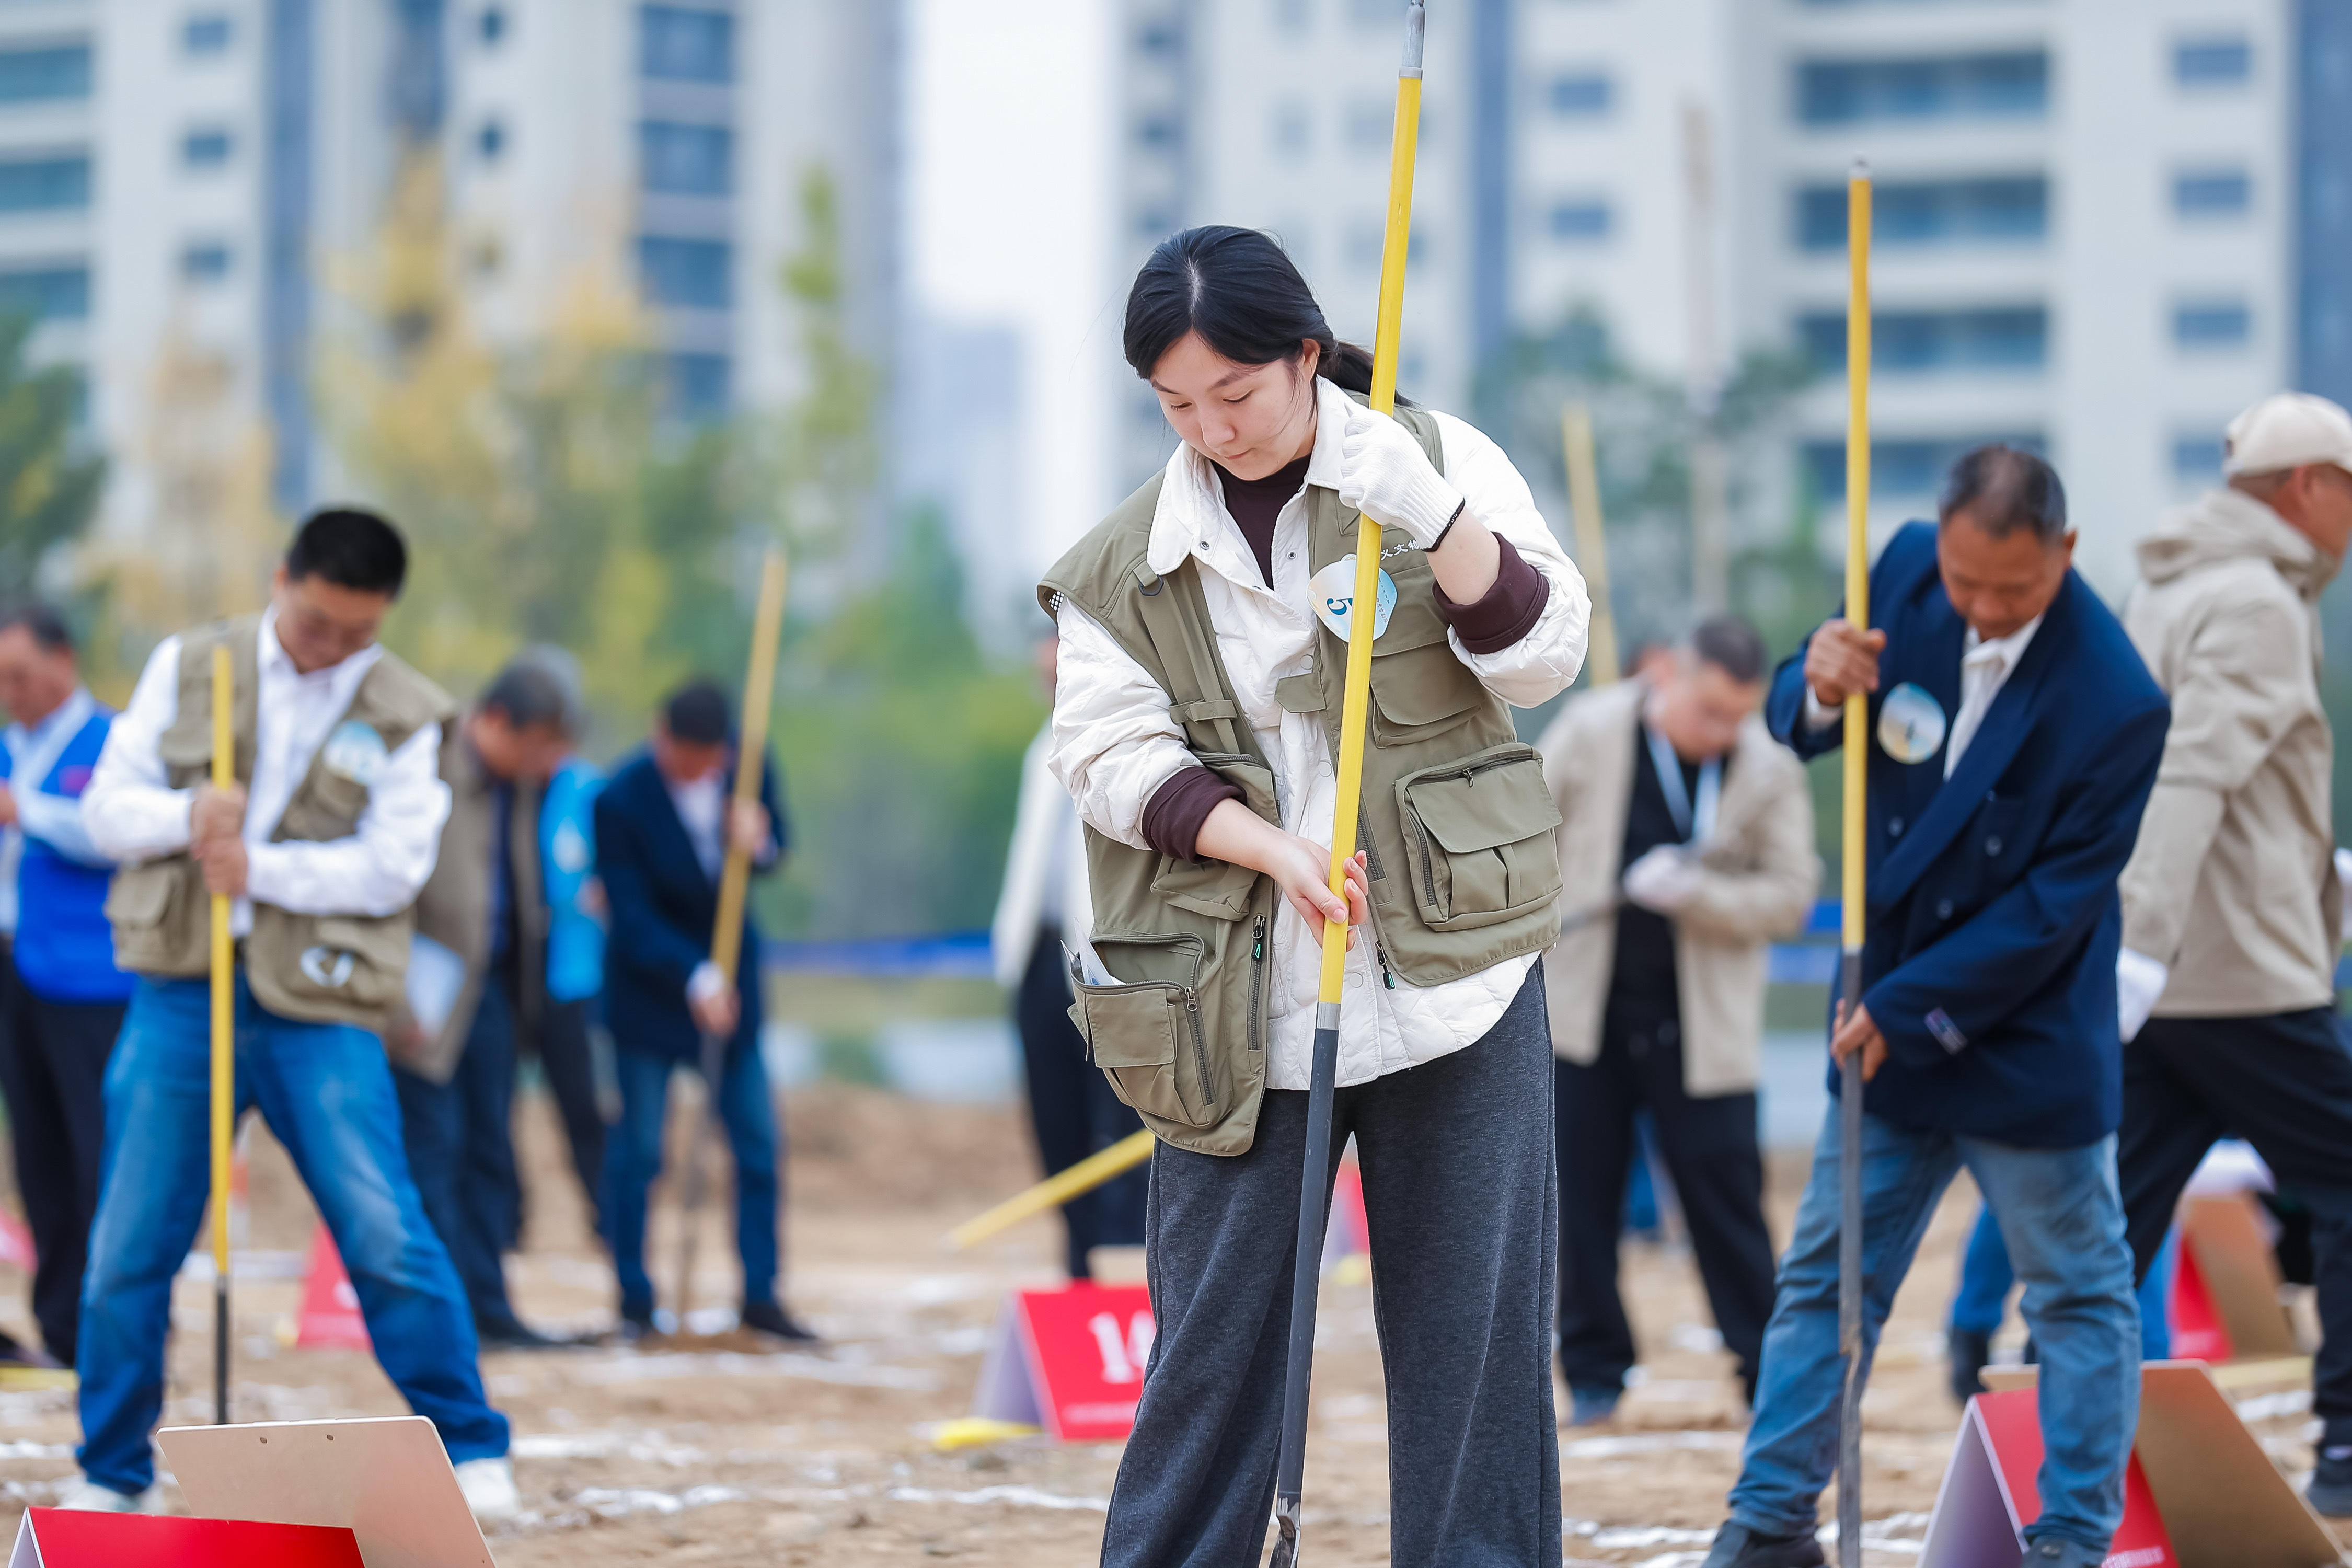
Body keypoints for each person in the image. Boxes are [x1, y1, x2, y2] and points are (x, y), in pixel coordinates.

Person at [1046, 226, 1588, 1565]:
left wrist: (1430, 513)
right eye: (1176, 404)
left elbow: (1543, 658)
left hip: (1455, 987)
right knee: (1211, 1361)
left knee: (1476, 1360)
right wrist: (1266, 845)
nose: (1210, 427)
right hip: (1235, 1014)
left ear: (1303, 355)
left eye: (1234, 392)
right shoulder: (1122, 562)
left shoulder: (1435, 461)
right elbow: (1105, 757)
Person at [1702, 447, 2169, 1568]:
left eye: (2012, 589)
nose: (1982, 608)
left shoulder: (2119, 700)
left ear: (2063, 553)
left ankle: (2069, 1538)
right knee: (1824, 1279)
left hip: (2023, 1036)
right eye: (1968, 584)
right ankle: (1771, 1519)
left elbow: (2054, 911)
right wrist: (1816, 681)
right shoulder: (1906, 568)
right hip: (1887, 1029)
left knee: (2077, 1297)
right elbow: (1788, 713)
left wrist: (1909, 1008)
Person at [67, 508, 514, 1518]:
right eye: (317, 626)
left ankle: (474, 1447)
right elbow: (104, 808)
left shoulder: (408, 711)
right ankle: (112, 1470)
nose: (332, 652)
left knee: (383, 1226)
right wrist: (186, 819)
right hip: (184, 993)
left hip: (320, 1006)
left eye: (357, 635)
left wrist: (257, 867)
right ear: (282, 582)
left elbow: (395, 866)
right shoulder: (188, 662)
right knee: (130, 1243)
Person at [2108, 391, 2352, 1517]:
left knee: (2109, 1216)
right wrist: (2145, 936)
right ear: (2308, 487)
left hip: (2170, 978)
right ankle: (2350, 1446)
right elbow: (2190, 773)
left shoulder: (2161, 585)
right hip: (2241, 976)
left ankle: (2066, 1440)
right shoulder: (2258, 600)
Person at [1540, 612, 1817, 1426]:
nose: (1721, 730)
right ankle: (1594, 1371)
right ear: (1667, 678)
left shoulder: (1768, 768)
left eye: (1738, 714)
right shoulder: (1590, 731)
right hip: (1584, 1014)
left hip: (1705, 1026)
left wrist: (1699, 895)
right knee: (1578, 1205)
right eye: (1709, 711)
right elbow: (1523, 835)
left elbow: (1792, 894)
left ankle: (1765, 1372)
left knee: (1729, 1201)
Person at [595, 678, 812, 1342]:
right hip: (650, 994)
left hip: (734, 998)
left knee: (756, 1148)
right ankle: (634, 1300)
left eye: (709, 760)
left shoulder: (748, 769)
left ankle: (762, 1296)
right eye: (688, 759)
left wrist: (760, 841)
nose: (701, 771)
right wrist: (694, 977)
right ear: (661, 738)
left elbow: (777, 855)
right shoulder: (618, 800)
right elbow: (628, 916)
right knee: (638, 1152)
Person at [388, 658, 576, 1349]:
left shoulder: (517, 787)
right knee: (435, 1153)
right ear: (494, 721)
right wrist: (394, 996)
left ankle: (491, 1307)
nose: (538, 765)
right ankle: (444, 1315)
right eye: (531, 748)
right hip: (425, 1000)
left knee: (491, 1152)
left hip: (494, 990)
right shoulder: (425, 767)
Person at [0, 604, 134, 1369]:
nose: (11, 692)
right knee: (39, 1154)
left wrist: (28, 813)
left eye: (21, 675)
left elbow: (115, 832)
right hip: (14, 968)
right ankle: (57, 1326)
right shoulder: (6, 745)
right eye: (2, 680)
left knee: (101, 1154)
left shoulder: (112, 744)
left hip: (91, 981)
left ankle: (112, 1326)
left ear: (64, 661)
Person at [993, 632, 1147, 1281]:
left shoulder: (1127, 737)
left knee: (1121, 1117)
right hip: (1039, 958)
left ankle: (1128, 1264)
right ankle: (1081, 1263)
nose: (1045, 667)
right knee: (1054, 1117)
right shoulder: (1039, 749)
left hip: (1109, 961)